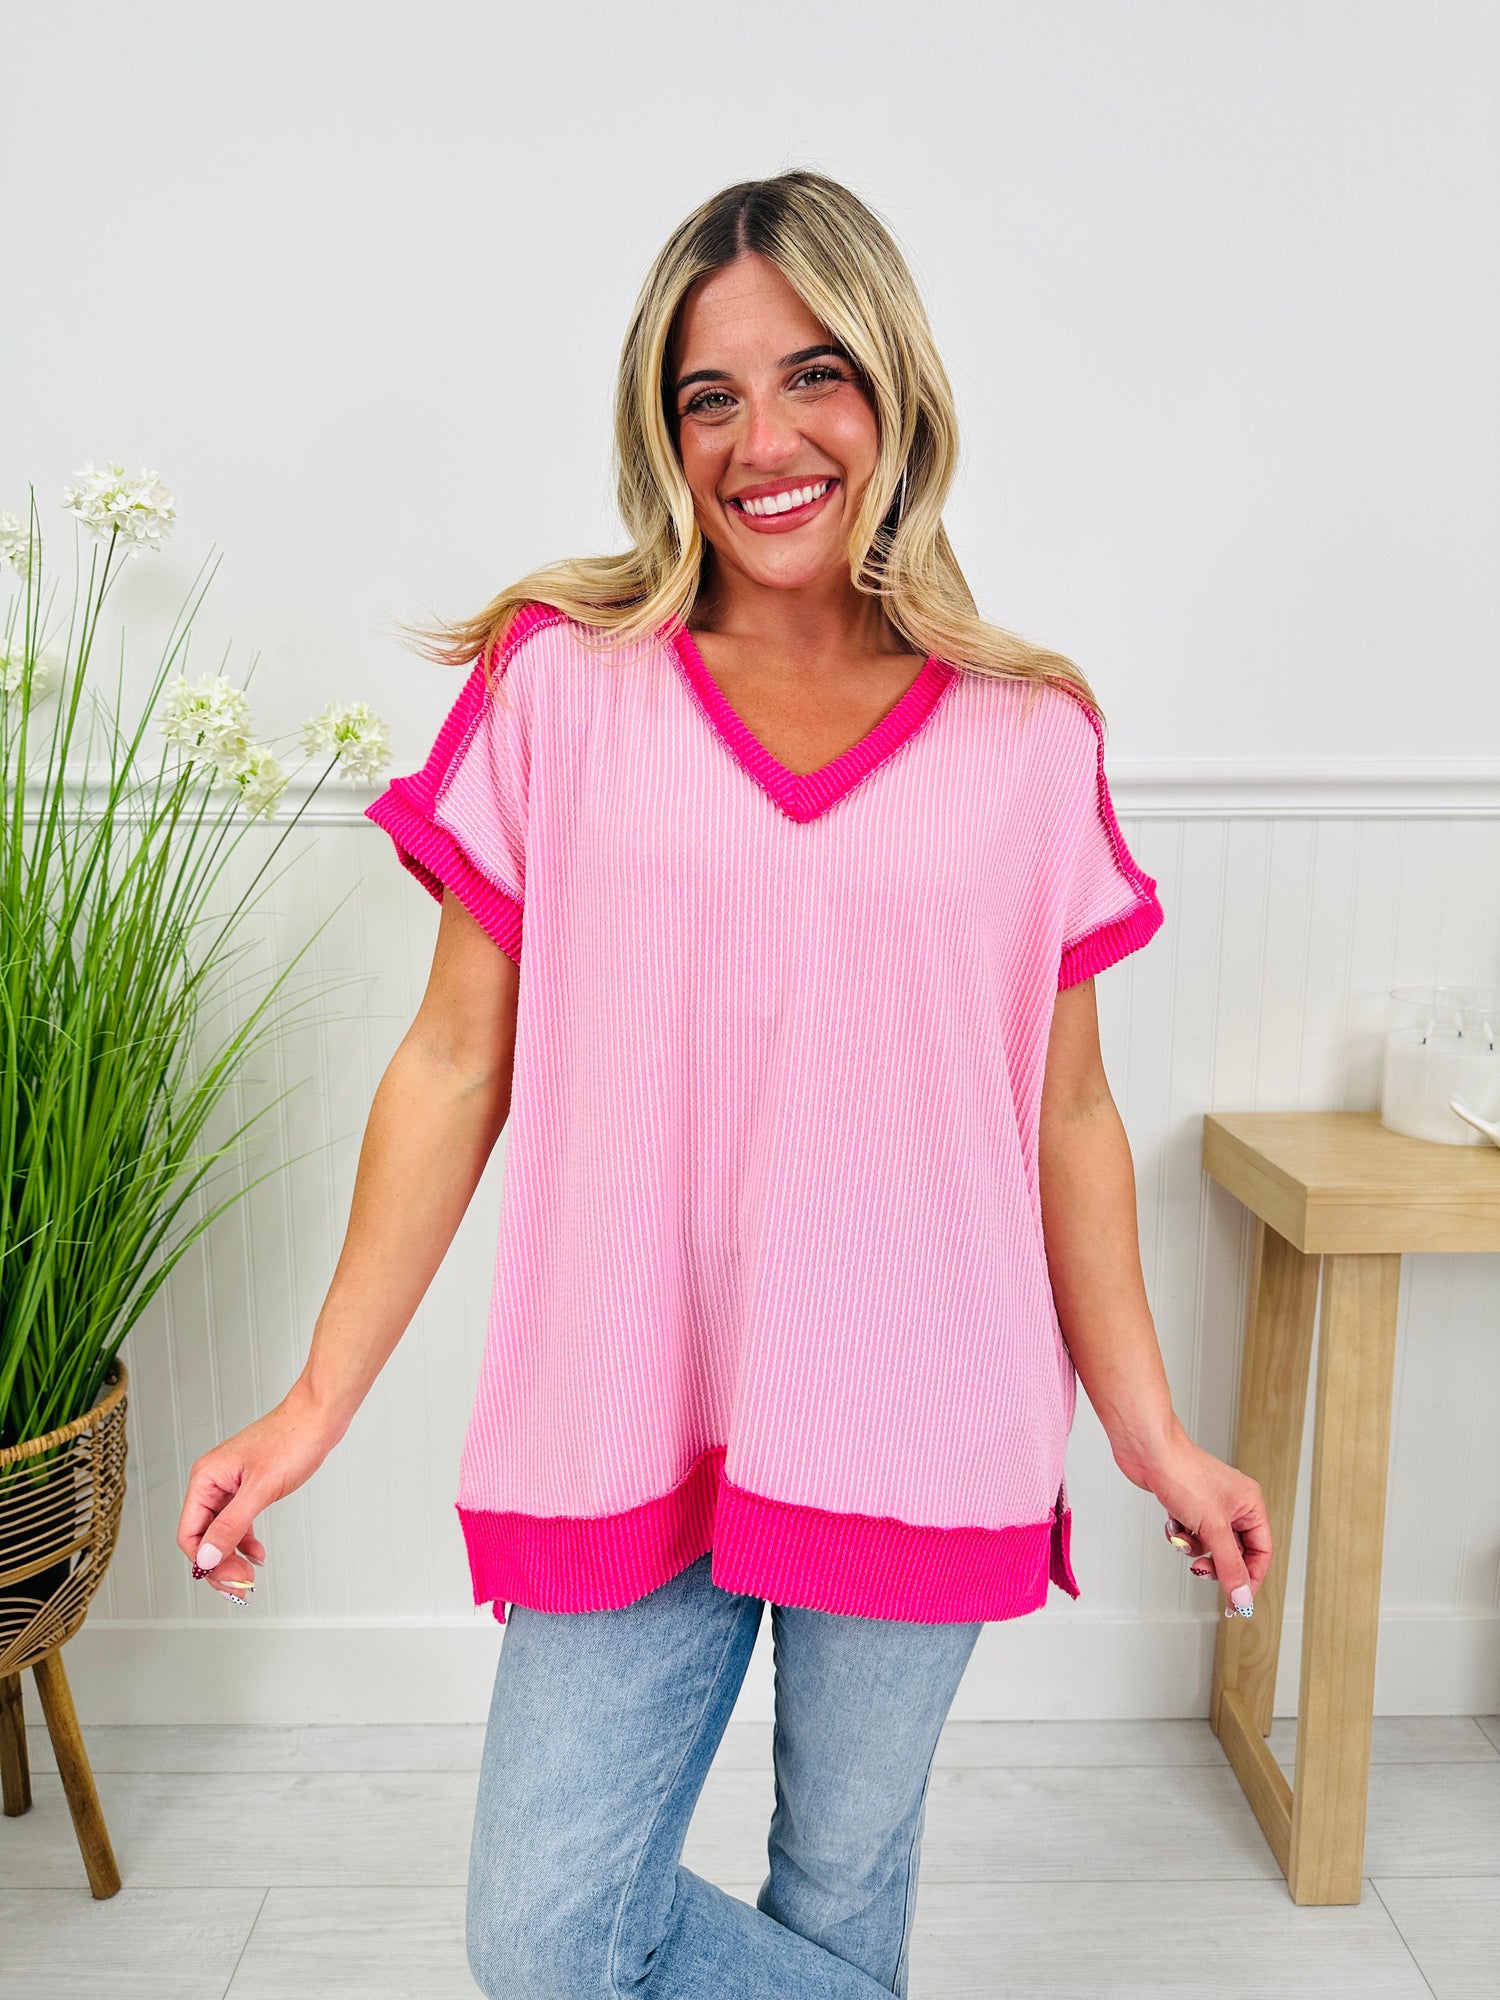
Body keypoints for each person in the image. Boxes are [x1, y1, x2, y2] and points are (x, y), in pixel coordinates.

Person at [177, 170, 1272, 1999]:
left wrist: (1152, 1434)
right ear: (662, 432)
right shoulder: (563, 685)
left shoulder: (1027, 733)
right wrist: (313, 1403)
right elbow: (454, 1060)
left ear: (896, 390)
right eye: (710, 396)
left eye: (814, 375)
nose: (764, 441)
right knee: (547, 1938)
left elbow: (1066, 1114)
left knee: (839, 1900)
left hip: (926, 1404)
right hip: (630, 1391)